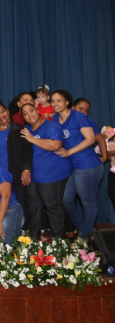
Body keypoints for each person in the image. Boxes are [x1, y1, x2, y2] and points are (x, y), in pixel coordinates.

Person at [51, 89, 103, 239]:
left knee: (88, 201)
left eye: (59, 100)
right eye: (53, 101)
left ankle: (85, 236)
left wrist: (69, 152)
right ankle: (84, 230)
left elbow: (91, 139)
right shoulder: (55, 119)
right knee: (67, 200)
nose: (55, 104)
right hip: (72, 166)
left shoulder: (78, 116)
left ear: (67, 102)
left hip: (88, 165)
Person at [20, 103, 72, 239]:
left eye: (31, 110)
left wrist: (32, 139)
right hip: (33, 177)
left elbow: (55, 145)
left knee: (53, 208)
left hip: (52, 176)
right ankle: (33, 241)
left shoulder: (51, 126)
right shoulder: (25, 129)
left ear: (38, 111)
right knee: (33, 209)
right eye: (25, 113)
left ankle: (57, 242)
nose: (29, 115)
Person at [0, 101, 33, 231]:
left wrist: (27, 169)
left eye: (2, 112)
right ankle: (3, 231)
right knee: (0, 205)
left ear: (8, 112)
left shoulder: (20, 129)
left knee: (21, 204)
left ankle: (24, 233)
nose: (1, 116)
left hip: (17, 175)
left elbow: (28, 151)